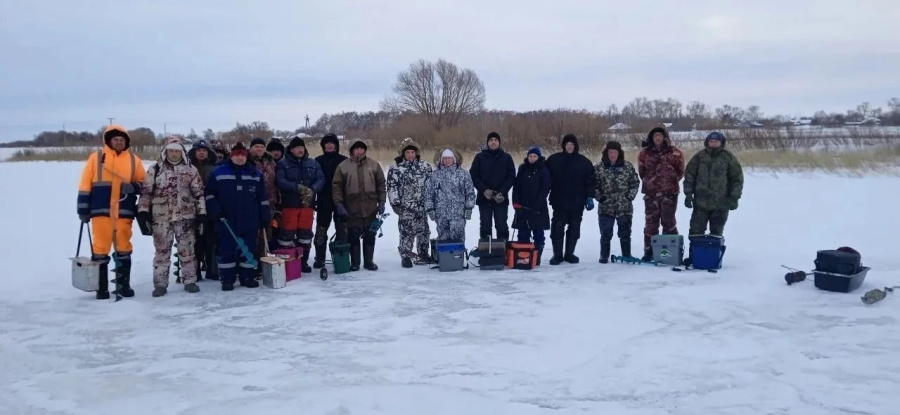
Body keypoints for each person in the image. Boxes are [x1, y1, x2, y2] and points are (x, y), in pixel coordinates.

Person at [76, 125, 146, 299]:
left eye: (122, 140)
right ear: (108, 140)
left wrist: (134, 187)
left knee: (124, 247)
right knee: (100, 249)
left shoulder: (133, 159)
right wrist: (83, 209)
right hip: (101, 212)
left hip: (124, 211)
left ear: (126, 142)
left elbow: (144, 182)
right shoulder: (96, 158)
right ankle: (102, 288)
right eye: (115, 139)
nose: (119, 142)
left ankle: (123, 285)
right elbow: (85, 185)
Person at [137, 137, 206, 296]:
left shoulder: (191, 170)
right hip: (161, 219)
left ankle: (189, 281)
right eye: (171, 150)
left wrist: (201, 214)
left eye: (177, 150)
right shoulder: (155, 169)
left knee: (187, 251)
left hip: (185, 218)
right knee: (162, 253)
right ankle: (160, 285)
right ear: (165, 151)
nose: (174, 153)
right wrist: (143, 212)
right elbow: (146, 193)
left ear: (181, 152)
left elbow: (199, 194)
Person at [204, 142, 271, 290]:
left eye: (242, 155)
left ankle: (247, 277)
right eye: (237, 155)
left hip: (249, 219)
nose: (240, 158)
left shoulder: (255, 174)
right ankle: (227, 280)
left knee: (248, 249)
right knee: (227, 250)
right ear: (232, 156)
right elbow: (209, 195)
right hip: (226, 219)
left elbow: (262, 198)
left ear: (246, 156)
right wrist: (215, 211)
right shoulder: (219, 173)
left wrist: (265, 216)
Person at [683, 132, 744, 262]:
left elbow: (737, 179)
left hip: (721, 203)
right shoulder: (700, 157)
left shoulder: (728, 158)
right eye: (711, 141)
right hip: (701, 203)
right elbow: (689, 175)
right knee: (695, 232)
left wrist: (734, 197)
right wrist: (688, 194)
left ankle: (713, 258)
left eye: (716, 141)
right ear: (707, 142)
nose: (713, 143)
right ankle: (694, 257)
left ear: (721, 142)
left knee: (716, 234)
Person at [332, 140, 386, 271]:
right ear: (351, 150)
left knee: (370, 235)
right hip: (351, 207)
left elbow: (381, 184)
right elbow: (336, 186)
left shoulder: (374, 165)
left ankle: (369, 262)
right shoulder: (343, 166)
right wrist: (339, 204)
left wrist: (382, 201)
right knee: (353, 235)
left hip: (370, 206)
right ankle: (355, 262)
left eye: (361, 149)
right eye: (356, 149)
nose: (359, 151)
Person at [544, 134, 596, 265]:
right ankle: (557, 255)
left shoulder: (584, 162)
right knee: (557, 227)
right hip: (559, 200)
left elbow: (590, 181)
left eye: (572, 144)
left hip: (577, 202)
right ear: (564, 146)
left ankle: (569, 253)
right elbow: (543, 175)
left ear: (575, 146)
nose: (569, 146)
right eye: (567, 144)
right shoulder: (554, 160)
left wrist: (590, 196)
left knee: (574, 228)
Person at [275, 136, 324, 273]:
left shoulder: (313, 163)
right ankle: (289, 262)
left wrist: (312, 190)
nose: (300, 150)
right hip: (290, 205)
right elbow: (281, 181)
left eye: (302, 147)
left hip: (307, 206)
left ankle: (303, 262)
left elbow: (321, 179)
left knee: (305, 235)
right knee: (287, 236)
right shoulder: (283, 164)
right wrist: (297, 187)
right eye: (297, 148)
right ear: (291, 150)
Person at [637, 126, 685, 261]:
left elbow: (680, 172)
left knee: (669, 223)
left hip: (669, 195)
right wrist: (651, 183)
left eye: (660, 135)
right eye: (655, 136)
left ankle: (671, 252)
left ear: (665, 138)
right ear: (651, 138)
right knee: (650, 225)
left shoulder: (675, 153)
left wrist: (668, 183)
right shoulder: (644, 154)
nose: (657, 138)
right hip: (651, 195)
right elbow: (642, 172)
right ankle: (649, 252)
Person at [387, 138, 434, 267]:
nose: (410, 155)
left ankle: (423, 253)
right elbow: (392, 187)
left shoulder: (425, 166)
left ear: (416, 152)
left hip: (422, 206)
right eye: (407, 152)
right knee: (406, 232)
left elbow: (431, 186)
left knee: (423, 231)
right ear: (403, 153)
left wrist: (431, 203)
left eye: (412, 152)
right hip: (405, 207)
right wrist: (396, 204)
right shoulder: (396, 168)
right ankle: (405, 255)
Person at [593, 141, 641, 263]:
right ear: (606, 153)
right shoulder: (599, 168)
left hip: (624, 207)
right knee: (605, 233)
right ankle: (604, 256)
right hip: (606, 207)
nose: (613, 154)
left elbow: (635, 183)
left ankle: (626, 255)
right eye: (610, 152)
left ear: (619, 153)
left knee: (625, 233)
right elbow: (593, 185)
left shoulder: (627, 166)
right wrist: (600, 197)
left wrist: (629, 197)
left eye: (615, 152)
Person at [470, 132, 515, 241]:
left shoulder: (506, 157)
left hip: (501, 198)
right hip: (484, 197)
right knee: (485, 225)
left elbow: (511, 176)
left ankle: (503, 250)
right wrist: (484, 190)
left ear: (499, 143)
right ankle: (486, 252)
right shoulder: (479, 157)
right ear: (487, 142)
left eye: (495, 140)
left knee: (501, 225)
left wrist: (502, 192)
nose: (493, 142)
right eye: (491, 140)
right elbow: (473, 175)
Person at [312, 133, 348, 268]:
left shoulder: (344, 161)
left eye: (332, 142)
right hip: (323, 200)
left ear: (336, 145)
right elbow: (314, 181)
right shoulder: (317, 161)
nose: (329, 145)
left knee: (342, 230)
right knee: (321, 230)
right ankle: (320, 258)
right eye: (326, 143)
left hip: (341, 202)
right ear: (323, 146)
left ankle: (341, 258)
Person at [425, 149, 476, 242]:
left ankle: (458, 256)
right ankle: (444, 256)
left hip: (458, 214)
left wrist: (469, 207)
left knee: (457, 239)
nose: (447, 160)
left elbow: (470, 193)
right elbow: (428, 194)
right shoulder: (434, 175)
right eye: (445, 158)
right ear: (441, 160)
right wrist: (430, 209)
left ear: (454, 159)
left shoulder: (463, 174)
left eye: (449, 158)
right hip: (441, 214)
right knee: (443, 239)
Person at [511, 146, 551, 265]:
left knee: (538, 233)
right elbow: (516, 187)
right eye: (530, 156)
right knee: (523, 232)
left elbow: (545, 188)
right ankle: (523, 257)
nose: (532, 158)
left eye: (535, 156)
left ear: (539, 157)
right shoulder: (522, 168)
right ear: (527, 157)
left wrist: (536, 205)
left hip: (537, 207)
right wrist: (515, 202)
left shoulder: (544, 170)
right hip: (522, 206)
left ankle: (536, 257)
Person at [188, 139, 220, 280]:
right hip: (190, 208)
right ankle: (194, 270)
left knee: (211, 239)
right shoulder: (187, 166)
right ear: (194, 152)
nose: (201, 153)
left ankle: (211, 268)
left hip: (210, 207)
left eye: (204, 150)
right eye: (199, 150)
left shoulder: (215, 167)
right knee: (195, 240)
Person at [249, 137, 279, 278]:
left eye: (261, 146)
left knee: (267, 235)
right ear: (251, 148)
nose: (259, 149)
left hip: (270, 203)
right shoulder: (247, 162)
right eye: (256, 146)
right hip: (252, 204)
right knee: (254, 236)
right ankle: (252, 265)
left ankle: (263, 265)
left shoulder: (271, 162)